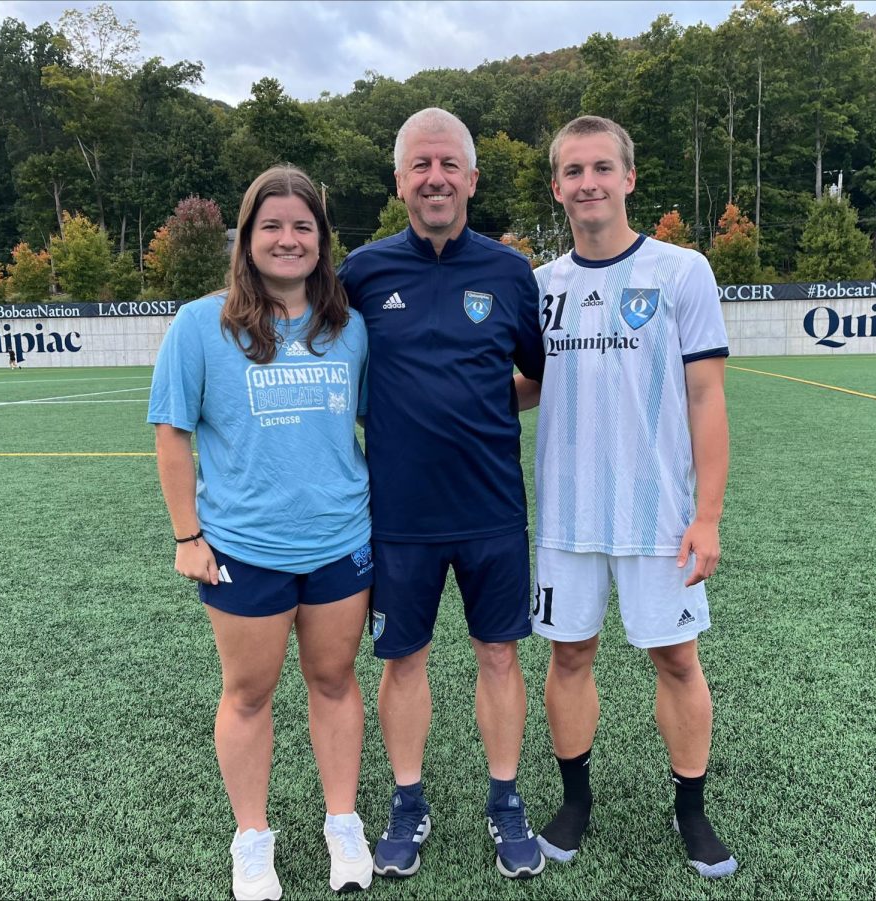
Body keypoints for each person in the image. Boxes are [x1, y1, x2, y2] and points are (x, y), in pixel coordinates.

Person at [515, 116, 738, 879]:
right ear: (557, 187)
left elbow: (706, 399)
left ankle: (692, 808)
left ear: (629, 177)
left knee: (676, 657)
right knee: (569, 653)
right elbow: (525, 387)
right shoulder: (541, 286)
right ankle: (575, 802)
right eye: (573, 172)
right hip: (567, 516)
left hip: (657, 516)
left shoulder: (681, 272)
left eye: (602, 168)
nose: (588, 183)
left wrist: (706, 517)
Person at [148, 165, 375, 899]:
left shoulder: (349, 329)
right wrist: (188, 536)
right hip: (245, 547)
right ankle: (253, 838)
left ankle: (342, 822)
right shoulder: (200, 325)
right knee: (248, 692)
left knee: (335, 681)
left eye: (302, 226)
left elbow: (378, 423)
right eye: (271, 226)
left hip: (342, 540)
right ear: (246, 238)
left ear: (322, 239)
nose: (287, 238)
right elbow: (172, 434)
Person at [337, 108, 547, 880]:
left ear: (471, 179)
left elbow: (537, 374)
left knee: (499, 653)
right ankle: (407, 801)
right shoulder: (361, 273)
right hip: (399, 518)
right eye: (420, 165)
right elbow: (337, 376)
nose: (435, 178)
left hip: (492, 509)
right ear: (399, 181)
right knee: (404, 661)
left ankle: (505, 800)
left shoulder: (509, 271)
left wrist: (484, 407)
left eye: (448, 164)